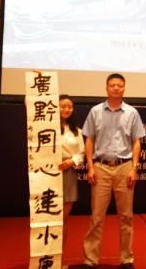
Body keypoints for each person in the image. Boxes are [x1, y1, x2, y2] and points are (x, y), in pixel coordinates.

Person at [82, 73, 146, 269]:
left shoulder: (132, 113)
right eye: (112, 85)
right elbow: (89, 139)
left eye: (119, 85)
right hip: (100, 167)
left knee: (126, 216)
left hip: (124, 167)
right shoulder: (95, 111)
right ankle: (90, 259)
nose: (116, 88)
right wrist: (90, 166)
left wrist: (134, 168)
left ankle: (126, 258)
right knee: (96, 217)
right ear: (106, 88)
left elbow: (136, 142)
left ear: (124, 88)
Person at [58, 94, 85, 269]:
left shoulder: (77, 131)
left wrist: (72, 161)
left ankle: (59, 259)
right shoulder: (45, 127)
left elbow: (82, 153)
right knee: (46, 217)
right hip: (48, 173)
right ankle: (44, 257)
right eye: (62, 106)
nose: (66, 109)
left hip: (68, 173)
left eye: (69, 106)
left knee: (63, 219)